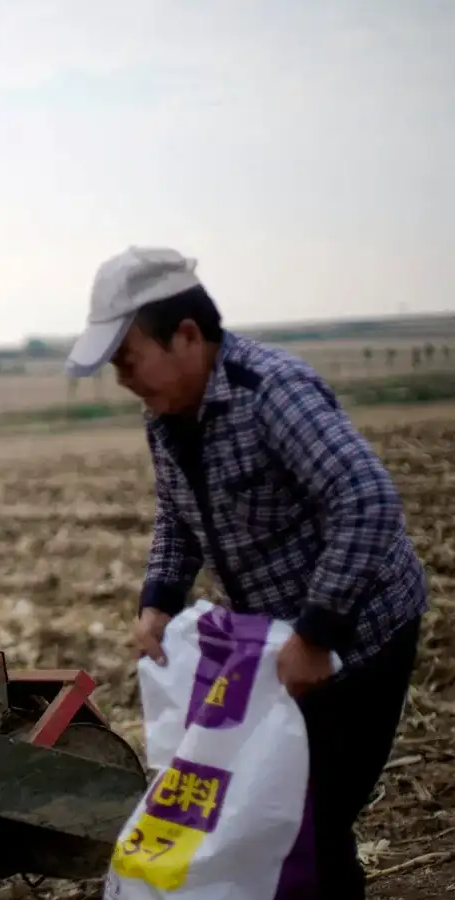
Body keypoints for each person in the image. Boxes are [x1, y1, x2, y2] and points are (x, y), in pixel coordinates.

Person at [65, 246, 428, 899]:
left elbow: (366, 500)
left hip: (365, 632)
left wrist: (318, 632)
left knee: (310, 818)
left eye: (127, 359)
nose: (124, 380)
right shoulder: (167, 416)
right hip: (288, 645)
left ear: (186, 336)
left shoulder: (273, 394)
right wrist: (160, 599)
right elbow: (178, 518)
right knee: (294, 814)